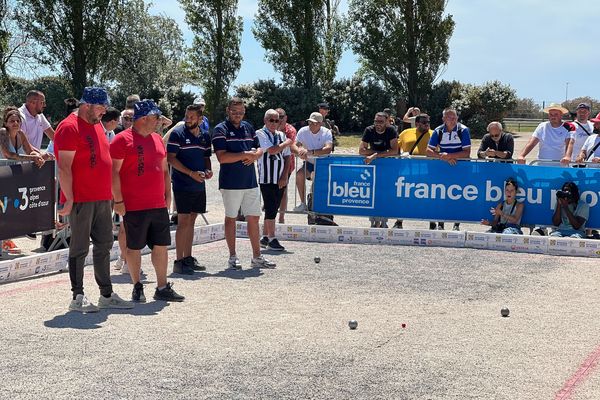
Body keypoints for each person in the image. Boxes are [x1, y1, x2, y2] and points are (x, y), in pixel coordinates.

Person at [54, 86, 133, 312]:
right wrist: (68, 199)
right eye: (101, 107)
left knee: (104, 245)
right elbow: (65, 168)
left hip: (101, 197)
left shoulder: (96, 124)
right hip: (81, 198)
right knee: (79, 248)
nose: (104, 112)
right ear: (86, 105)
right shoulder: (69, 127)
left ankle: (106, 294)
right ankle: (77, 296)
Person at [110, 99, 184, 302]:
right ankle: (137, 286)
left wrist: (168, 195)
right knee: (134, 248)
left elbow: (164, 170)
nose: (159, 121)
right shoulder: (121, 140)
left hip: (157, 204)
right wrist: (118, 200)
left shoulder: (158, 139)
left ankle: (162, 286)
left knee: (161, 246)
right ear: (144, 118)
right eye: (156, 117)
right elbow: (113, 172)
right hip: (133, 204)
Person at [212, 97, 276, 269]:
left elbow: (260, 147)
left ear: (244, 112)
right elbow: (222, 157)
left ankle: (257, 256)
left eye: (240, 112)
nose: (237, 115)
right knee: (231, 218)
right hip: (230, 182)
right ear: (228, 110)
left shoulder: (248, 127)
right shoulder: (220, 129)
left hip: (250, 181)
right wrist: (245, 154)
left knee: (254, 217)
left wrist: (256, 154)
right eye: (234, 112)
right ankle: (232, 257)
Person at [166, 103, 213, 274]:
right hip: (182, 184)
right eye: (187, 116)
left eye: (192, 117)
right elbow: (170, 158)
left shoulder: (205, 136)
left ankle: (188, 257)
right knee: (183, 221)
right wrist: (190, 173)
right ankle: (179, 261)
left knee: (192, 220)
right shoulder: (177, 134)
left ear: (200, 119)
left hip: (199, 185)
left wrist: (208, 170)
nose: (188, 119)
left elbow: (206, 156)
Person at [426, 108, 472, 231]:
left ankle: (456, 224)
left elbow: (467, 153)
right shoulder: (438, 130)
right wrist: (443, 157)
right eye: (449, 118)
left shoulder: (463, 130)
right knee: (441, 195)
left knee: (457, 195)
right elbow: (428, 151)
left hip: (460, 168)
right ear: (443, 119)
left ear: (457, 118)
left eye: (454, 118)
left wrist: (450, 156)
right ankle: (440, 223)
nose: (452, 120)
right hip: (443, 168)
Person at [397, 113, 439, 230]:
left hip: (428, 171)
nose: (427, 125)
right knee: (404, 196)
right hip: (407, 171)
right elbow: (396, 147)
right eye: (424, 123)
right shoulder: (406, 133)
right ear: (417, 123)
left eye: (428, 123)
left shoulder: (434, 134)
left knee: (429, 197)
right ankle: (399, 221)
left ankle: (432, 222)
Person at [257, 109, 292, 251]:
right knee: (270, 207)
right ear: (265, 120)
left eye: (277, 120)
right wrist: (287, 143)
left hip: (279, 177)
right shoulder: (260, 133)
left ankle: (265, 236)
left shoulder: (281, 135)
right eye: (271, 120)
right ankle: (272, 237)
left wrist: (284, 176)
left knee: (274, 207)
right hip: (266, 177)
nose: (274, 123)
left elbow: (287, 156)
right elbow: (271, 150)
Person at [359, 112, 398, 228]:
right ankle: (373, 220)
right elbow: (361, 150)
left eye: (380, 122)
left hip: (388, 166)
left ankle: (384, 220)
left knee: (386, 193)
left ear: (387, 121)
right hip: (373, 166)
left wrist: (374, 155)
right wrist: (378, 153)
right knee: (372, 193)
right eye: (376, 121)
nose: (377, 124)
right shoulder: (369, 130)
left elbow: (395, 151)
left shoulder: (391, 130)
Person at [291, 112, 333, 212]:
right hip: (309, 163)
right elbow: (294, 145)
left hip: (323, 163)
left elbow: (328, 148)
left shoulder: (326, 132)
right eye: (310, 122)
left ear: (320, 124)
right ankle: (303, 203)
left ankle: (320, 205)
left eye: (314, 123)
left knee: (318, 185)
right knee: (299, 175)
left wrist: (311, 152)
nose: (311, 125)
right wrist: (300, 152)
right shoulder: (303, 131)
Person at [275, 107, 297, 224]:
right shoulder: (269, 128)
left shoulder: (291, 130)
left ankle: (281, 218)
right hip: (271, 165)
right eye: (275, 118)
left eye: (281, 117)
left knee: (283, 190)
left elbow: (289, 147)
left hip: (286, 164)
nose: (278, 120)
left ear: (286, 118)